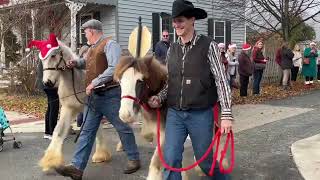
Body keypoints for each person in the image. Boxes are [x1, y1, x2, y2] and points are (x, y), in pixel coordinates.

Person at [148, 0, 233, 179]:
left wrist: (226, 114)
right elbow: (171, 82)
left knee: (205, 162)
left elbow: (221, 81)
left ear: (192, 20)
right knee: (170, 161)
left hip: (200, 114)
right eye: (174, 20)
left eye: (180, 20)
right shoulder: (172, 49)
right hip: (175, 114)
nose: (176, 25)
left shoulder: (208, 46)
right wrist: (160, 97)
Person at [55, 19, 140, 180]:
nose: (84, 34)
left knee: (122, 127)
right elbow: (87, 64)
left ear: (92, 31)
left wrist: (94, 82)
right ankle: (77, 168)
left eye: (85, 31)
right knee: (86, 132)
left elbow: (114, 67)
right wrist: (76, 63)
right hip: (93, 98)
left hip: (110, 95)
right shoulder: (92, 49)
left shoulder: (110, 44)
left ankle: (134, 158)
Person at [35, 61, 59, 140]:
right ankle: (52, 133)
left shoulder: (43, 55)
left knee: (50, 107)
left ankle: (47, 132)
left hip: (45, 83)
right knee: (54, 108)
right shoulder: (49, 55)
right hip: (50, 84)